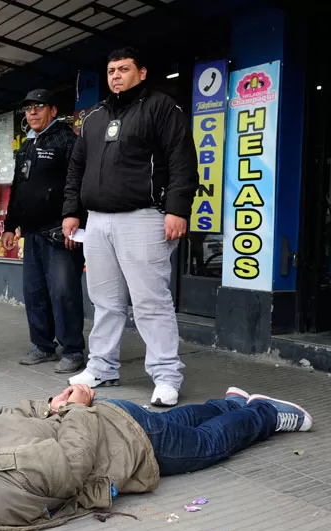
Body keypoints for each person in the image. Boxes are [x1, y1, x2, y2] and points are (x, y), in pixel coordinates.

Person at [0, 385, 312, 531]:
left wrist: (72, 407)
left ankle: (266, 414)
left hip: (125, 442)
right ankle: (231, 402)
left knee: (207, 446)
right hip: (110, 414)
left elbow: (75, 460)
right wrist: (58, 405)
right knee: (181, 421)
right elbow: (15, 413)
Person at [62, 47, 199, 407]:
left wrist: (177, 209)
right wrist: (71, 211)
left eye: (124, 69)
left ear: (142, 72)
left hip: (144, 217)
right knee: (105, 301)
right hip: (98, 222)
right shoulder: (93, 117)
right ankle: (102, 366)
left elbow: (182, 159)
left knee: (150, 301)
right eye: (111, 71)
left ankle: (167, 374)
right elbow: (77, 168)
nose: (116, 76)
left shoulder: (161, 107)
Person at [1, 89, 85, 373]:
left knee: (64, 292)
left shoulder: (68, 141)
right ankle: (43, 346)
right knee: (34, 292)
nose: (32, 113)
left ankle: (73, 350)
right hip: (33, 233)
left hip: (60, 232)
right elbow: (18, 186)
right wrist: (10, 225)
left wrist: (74, 218)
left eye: (38, 107)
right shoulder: (27, 144)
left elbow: (78, 185)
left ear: (52, 109)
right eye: (28, 109)